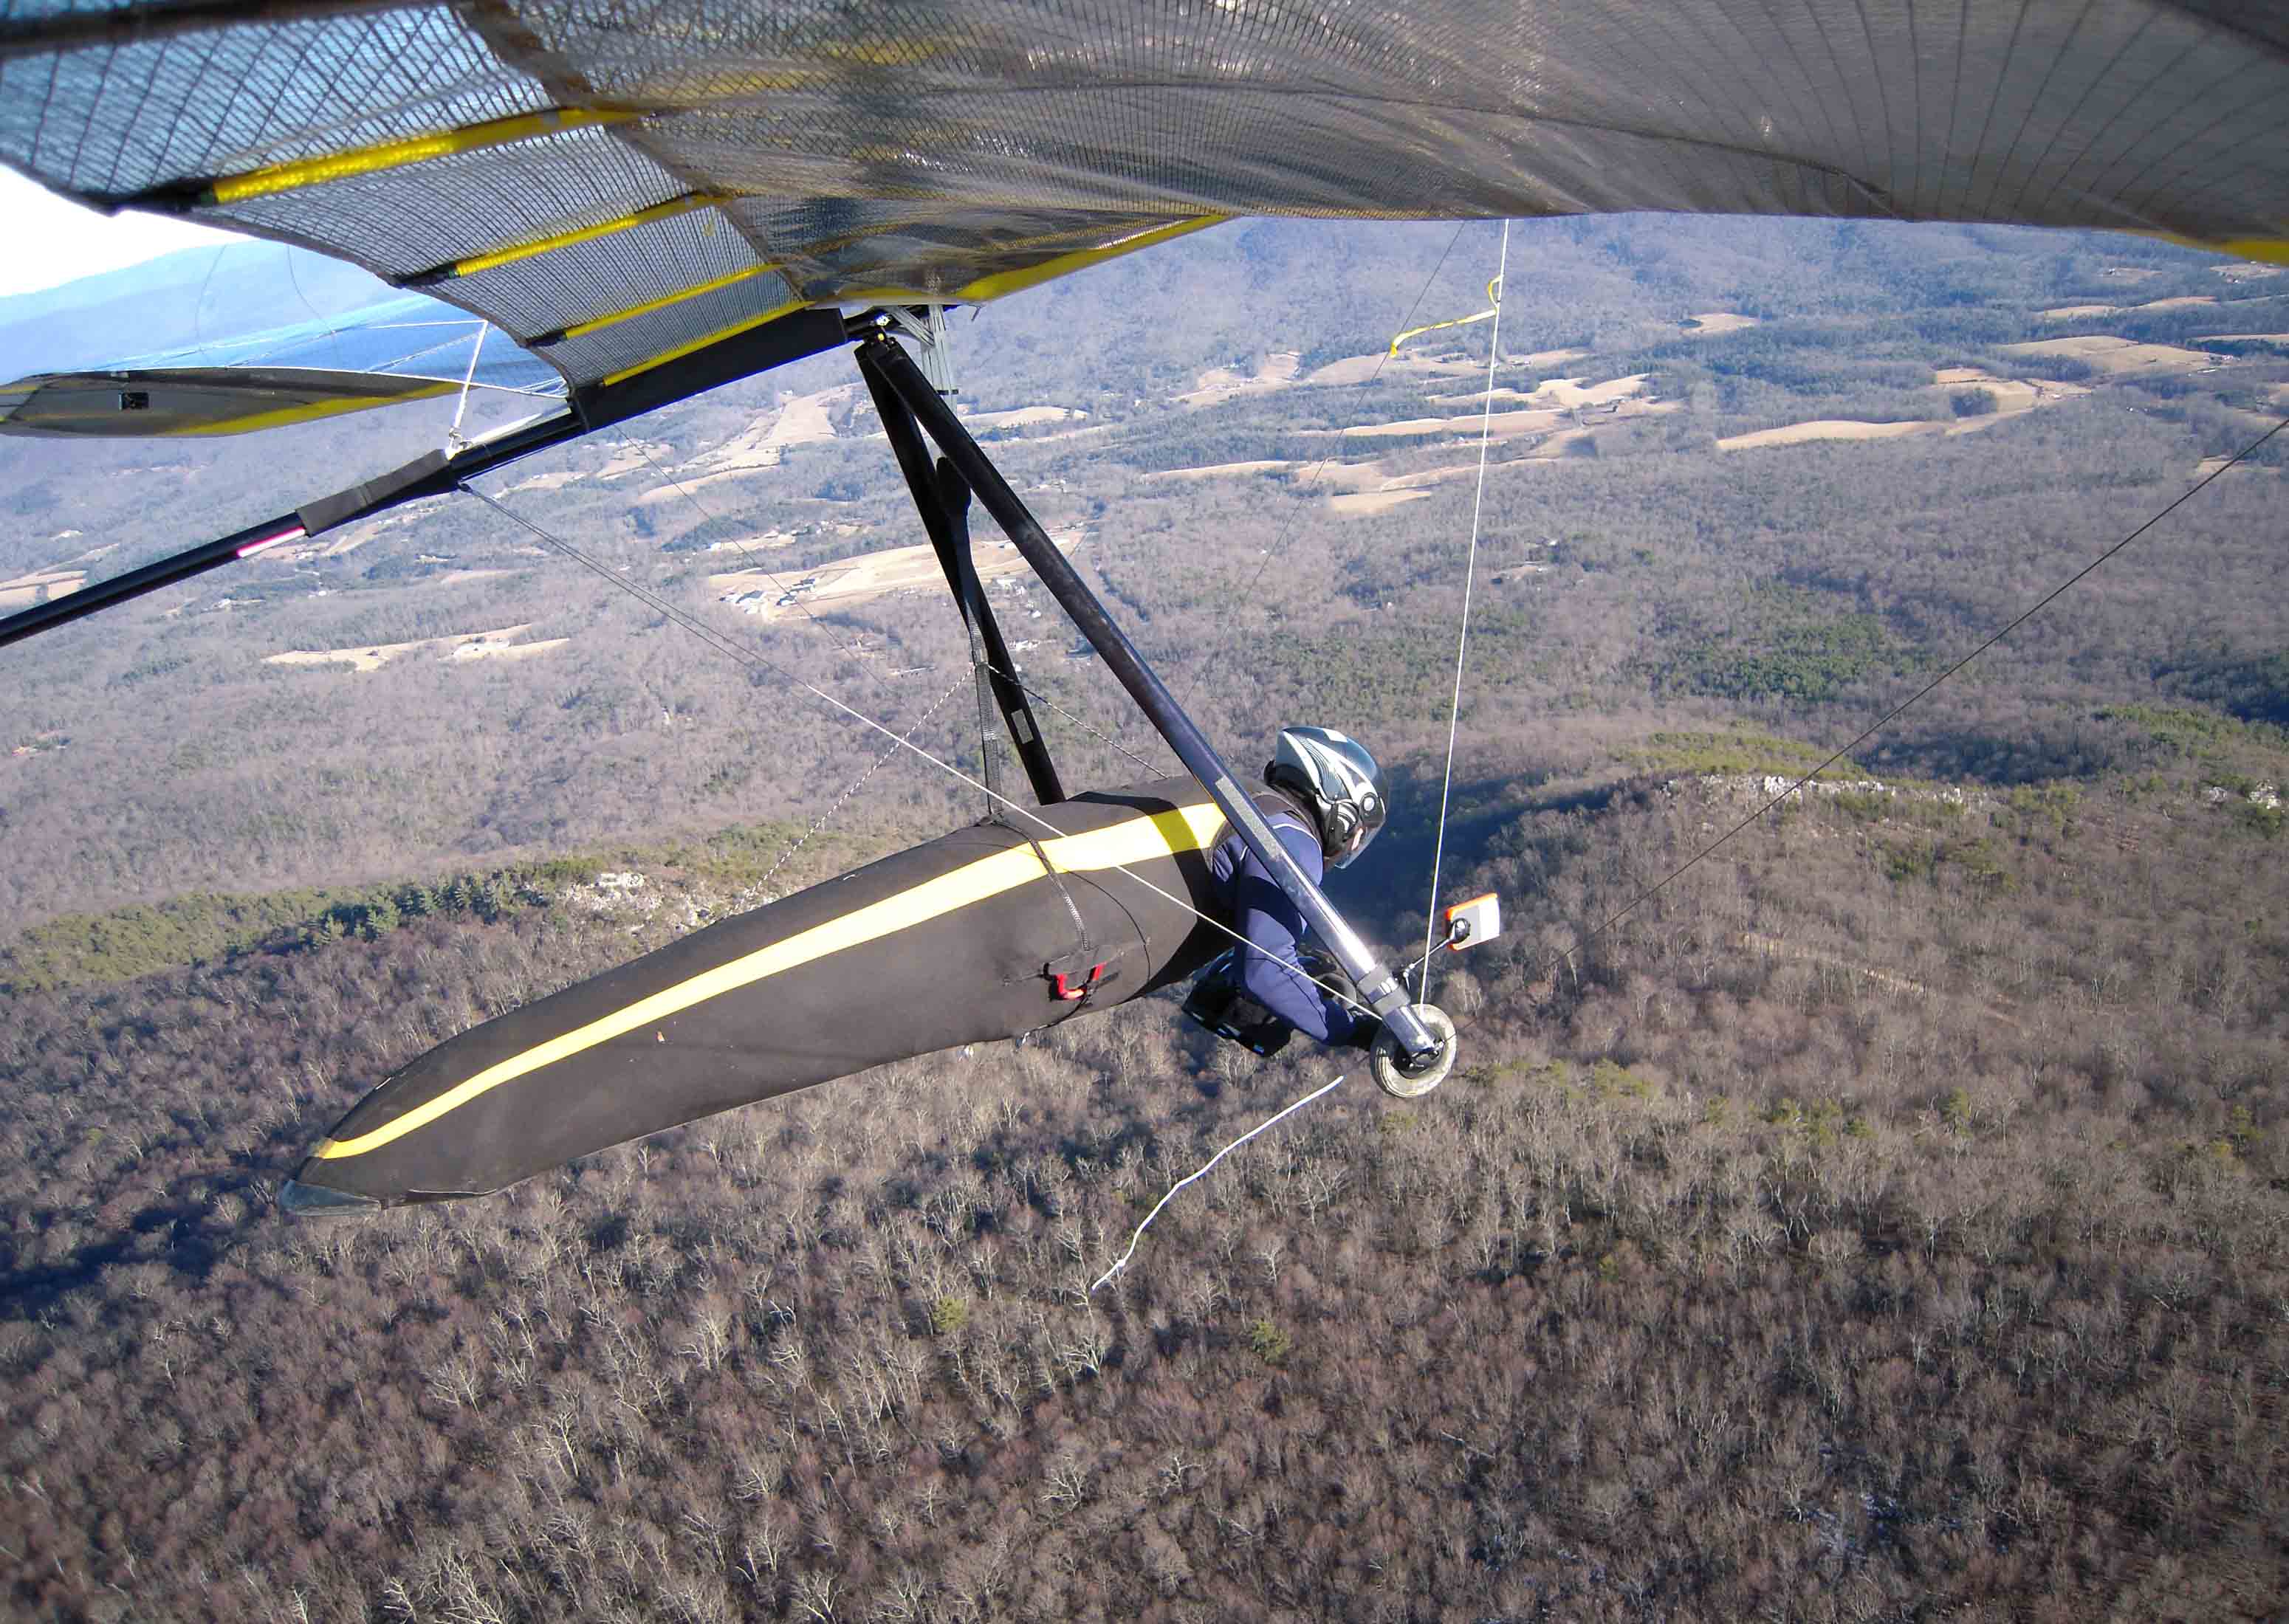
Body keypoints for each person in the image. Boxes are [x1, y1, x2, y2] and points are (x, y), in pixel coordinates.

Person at [1187, 726, 1389, 1056]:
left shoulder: (1244, 803)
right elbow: (1264, 969)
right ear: (1342, 810)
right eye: (1358, 831)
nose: (1354, 843)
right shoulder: (1292, 840)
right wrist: (1357, 1031)